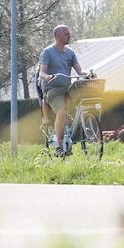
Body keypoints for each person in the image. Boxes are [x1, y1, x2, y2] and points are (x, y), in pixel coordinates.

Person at [39, 24, 94, 157]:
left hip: (67, 88)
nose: (70, 36)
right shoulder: (47, 52)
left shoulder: (70, 53)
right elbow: (42, 72)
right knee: (62, 111)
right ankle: (59, 145)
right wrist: (48, 77)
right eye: (67, 34)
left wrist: (88, 74)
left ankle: (69, 135)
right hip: (53, 90)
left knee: (79, 100)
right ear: (58, 35)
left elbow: (79, 71)